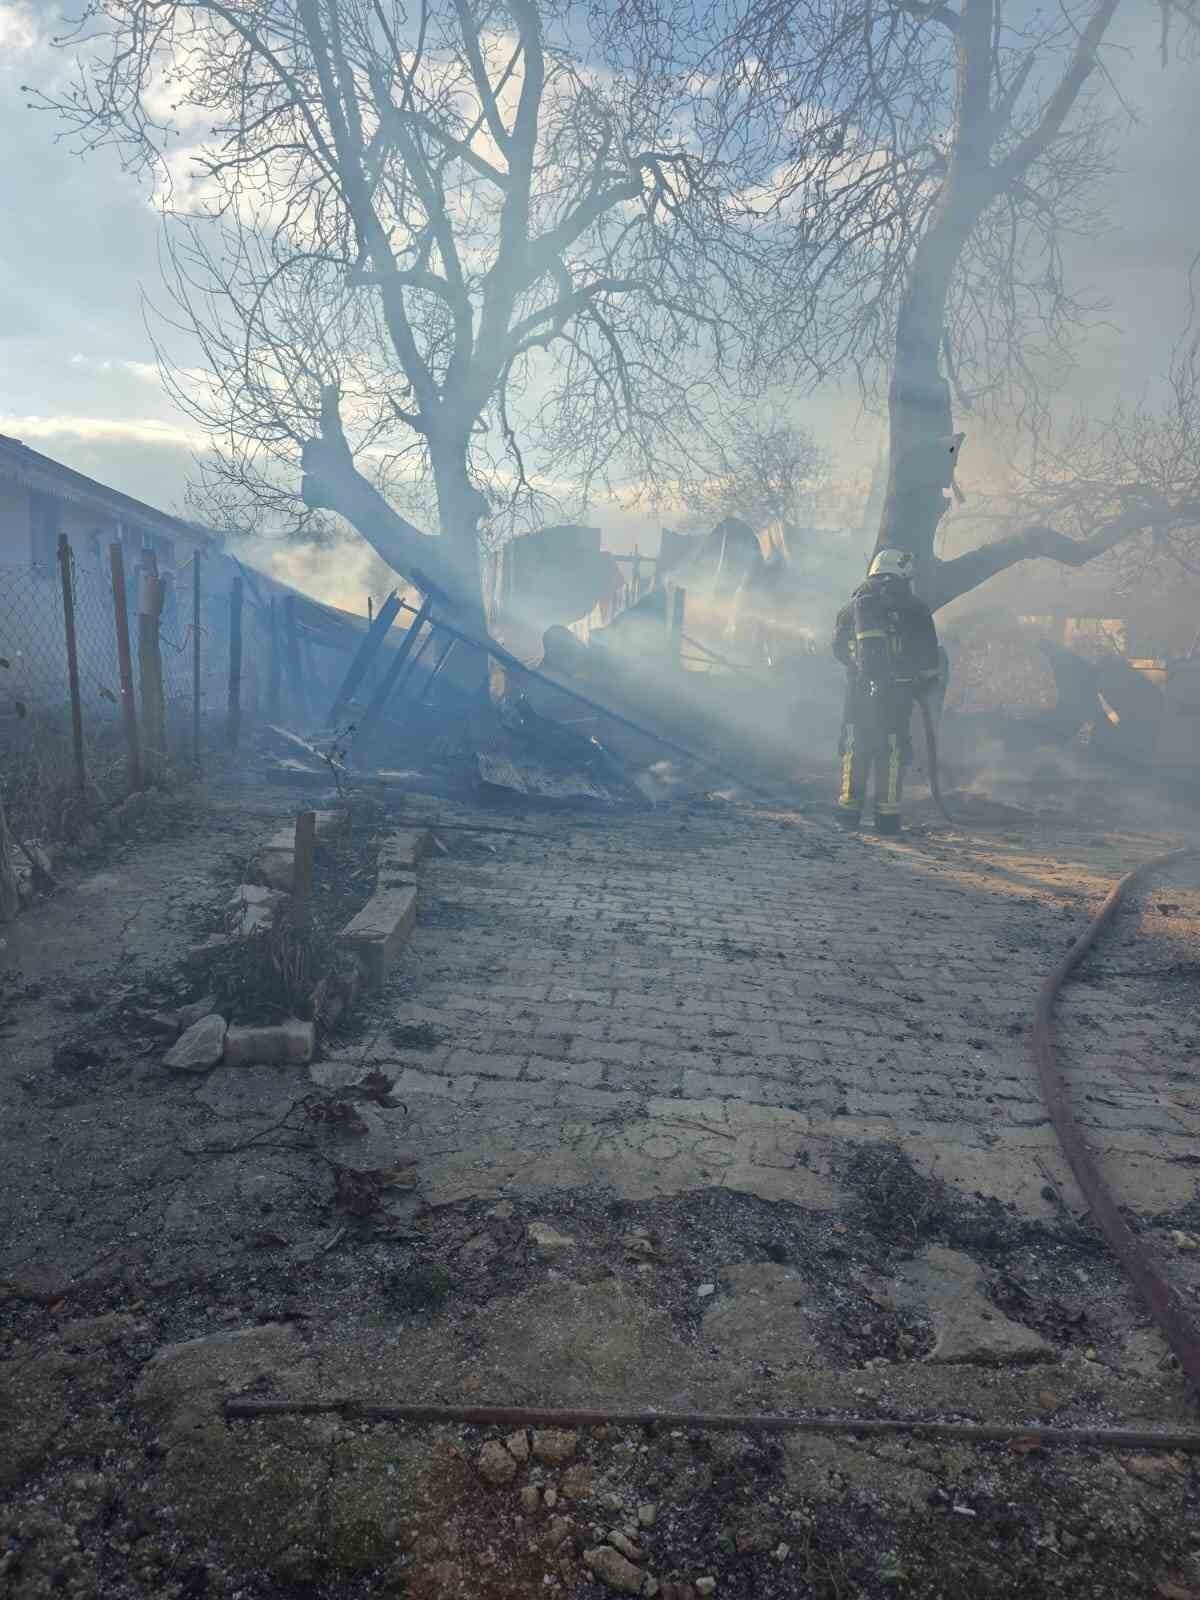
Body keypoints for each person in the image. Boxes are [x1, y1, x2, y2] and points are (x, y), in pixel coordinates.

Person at [832, 548, 941, 835]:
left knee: (856, 746)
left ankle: (848, 813)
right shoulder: (915, 608)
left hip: (858, 693)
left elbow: (838, 648)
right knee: (891, 749)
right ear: (904, 573)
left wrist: (859, 671)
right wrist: (921, 683)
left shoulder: (854, 605)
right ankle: (887, 819)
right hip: (897, 694)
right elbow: (930, 658)